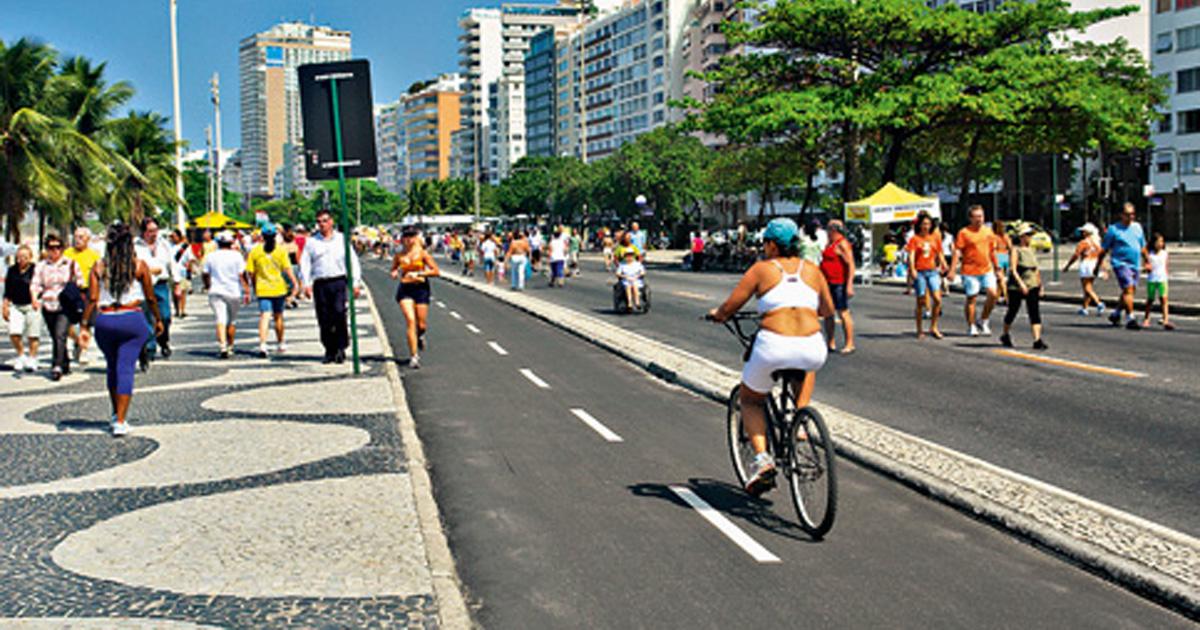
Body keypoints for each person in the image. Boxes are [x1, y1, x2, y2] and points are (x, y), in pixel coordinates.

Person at [708, 218, 834, 496]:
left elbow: (731, 305)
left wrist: (719, 315)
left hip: (774, 345)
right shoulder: (812, 270)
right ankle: (800, 420)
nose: (763, 248)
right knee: (806, 366)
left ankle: (763, 461)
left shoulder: (762, 269)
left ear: (773, 245)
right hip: (813, 346)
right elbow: (827, 309)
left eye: (765, 243)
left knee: (751, 400)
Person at [84, 222, 161, 437]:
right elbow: (150, 297)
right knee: (126, 368)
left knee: (112, 367)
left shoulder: (99, 266)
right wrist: (158, 319)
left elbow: (92, 298)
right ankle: (120, 419)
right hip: (131, 319)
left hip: (106, 320)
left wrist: (84, 324)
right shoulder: (138, 265)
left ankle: (115, 412)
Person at [300, 208, 363, 364]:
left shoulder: (341, 240)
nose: (322, 224)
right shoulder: (312, 242)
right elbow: (305, 264)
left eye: (325, 221)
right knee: (324, 318)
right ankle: (329, 349)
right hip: (320, 283)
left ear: (331, 222)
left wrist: (355, 282)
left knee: (339, 312)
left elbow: (352, 262)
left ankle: (341, 346)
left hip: (338, 281)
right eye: (319, 221)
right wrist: (305, 283)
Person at [31, 234, 82, 381]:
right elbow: (35, 284)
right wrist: (34, 298)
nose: (54, 251)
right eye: (51, 248)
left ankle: (57, 366)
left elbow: (80, 281)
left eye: (58, 247)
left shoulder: (70, 264)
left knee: (60, 333)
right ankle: (64, 361)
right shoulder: (41, 266)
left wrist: (73, 290)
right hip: (48, 304)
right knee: (55, 336)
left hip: (65, 304)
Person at [246, 223, 300, 358]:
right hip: (278, 288)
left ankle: (263, 345)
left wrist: (253, 285)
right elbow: (288, 270)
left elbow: (250, 272)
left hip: (262, 288)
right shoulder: (280, 251)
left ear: (262, 236)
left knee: (264, 316)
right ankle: (280, 342)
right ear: (275, 236)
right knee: (278, 316)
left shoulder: (255, 251)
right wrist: (295, 284)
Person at [948, 205, 1002, 337]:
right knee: (972, 298)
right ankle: (971, 325)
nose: (979, 219)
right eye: (976, 217)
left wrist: (998, 267)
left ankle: (983, 320)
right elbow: (957, 251)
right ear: (970, 218)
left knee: (993, 294)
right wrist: (952, 270)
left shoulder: (988, 232)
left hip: (986, 269)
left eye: (981, 216)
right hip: (969, 271)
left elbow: (993, 251)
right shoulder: (964, 233)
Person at [391, 228, 441, 368]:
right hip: (405, 289)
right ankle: (414, 356)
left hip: (421, 289)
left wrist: (420, 273)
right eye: (406, 237)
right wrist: (395, 272)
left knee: (421, 324)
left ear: (416, 238)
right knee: (410, 320)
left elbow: (436, 271)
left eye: (412, 237)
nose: (409, 240)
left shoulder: (423, 254)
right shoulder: (399, 255)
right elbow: (394, 268)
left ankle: (420, 335)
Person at [1096, 202, 1148, 331]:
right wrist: (1099, 265)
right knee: (1128, 289)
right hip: (1120, 264)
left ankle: (1116, 314)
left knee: (1128, 291)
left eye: (1132, 214)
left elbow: (1142, 246)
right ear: (1121, 215)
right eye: (1127, 214)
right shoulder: (1114, 230)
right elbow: (1104, 249)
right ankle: (1131, 318)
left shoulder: (1137, 227)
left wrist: (1147, 261)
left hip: (1135, 264)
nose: (1131, 217)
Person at [135, 218, 177, 360]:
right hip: (143, 284)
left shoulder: (164, 244)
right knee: (148, 317)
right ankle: (150, 347)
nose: (153, 234)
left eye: (155, 230)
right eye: (150, 231)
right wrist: (147, 271)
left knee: (165, 316)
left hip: (161, 284)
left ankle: (163, 340)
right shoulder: (136, 246)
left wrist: (177, 282)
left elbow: (172, 263)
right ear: (143, 232)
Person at [202, 231, 249, 359]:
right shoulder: (237, 256)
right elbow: (242, 274)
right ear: (231, 242)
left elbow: (205, 273)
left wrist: (207, 285)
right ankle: (230, 345)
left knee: (220, 319)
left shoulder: (211, 256)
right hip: (233, 291)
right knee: (232, 320)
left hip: (216, 290)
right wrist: (247, 289)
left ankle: (222, 346)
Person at [1000, 226, 1048, 350]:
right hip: (1017, 286)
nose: (1030, 238)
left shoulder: (1031, 250)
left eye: (1030, 235)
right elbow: (1013, 269)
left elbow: (1036, 269)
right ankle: (1005, 334)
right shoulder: (1016, 250)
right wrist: (1020, 284)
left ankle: (1037, 339)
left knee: (1034, 312)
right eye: (1028, 235)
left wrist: (1040, 285)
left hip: (1032, 284)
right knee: (1013, 310)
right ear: (1022, 237)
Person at [905, 213, 947, 339]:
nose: (926, 227)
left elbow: (939, 253)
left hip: (932, 271)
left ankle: (934, 326)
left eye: (928, 224)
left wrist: (944, 264)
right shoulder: (915, 239)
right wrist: (912, 269)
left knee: (937, 299)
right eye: (924, 224)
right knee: (921, 301)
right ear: (919, 225)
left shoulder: (935, 238)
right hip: (920, 272)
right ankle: (919, 329)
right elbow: (911, 255)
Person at [64, 227, 100, 365]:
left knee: (86, 322)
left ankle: (83, 349)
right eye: (76, 236)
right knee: (67, 323)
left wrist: (98, 297)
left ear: (88, 239)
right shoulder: (67, 253)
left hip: (88, 291)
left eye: (81, 237)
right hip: (71, 292)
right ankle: (77, 341)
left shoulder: (94, 255)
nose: (77, 240)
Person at [820, 219, 856, 353]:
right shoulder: (830, 243)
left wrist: (849, 284)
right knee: (828, 313)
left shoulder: (842, 244)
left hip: (838, 282)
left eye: (829, 228)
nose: (827, 231)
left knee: (843, 312)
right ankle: (830, 341)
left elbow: (851, 264)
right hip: (828, 281)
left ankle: (849, 342)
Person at [3, 245, 41, 372]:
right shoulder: (12, 270)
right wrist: (5, 305)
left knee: (33, 334)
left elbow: (40, 286)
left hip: (32, 305)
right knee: (14, 332)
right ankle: (21, 355)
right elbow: (8, 290)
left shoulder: (36, 270)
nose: (21, 259)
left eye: (24, 257)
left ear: (30, 258)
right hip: (16, 305)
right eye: (19, 257)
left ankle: (32, 357)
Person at [1062, 223, 1105, 316]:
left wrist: (1068, 266)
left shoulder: (1083, 243)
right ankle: (1084, 308)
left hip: (1086, 264)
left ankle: (1098, 303)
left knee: (1086, 287)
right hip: (1094, 263)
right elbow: (1101, 255)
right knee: (1089, 286)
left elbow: (1076, 255)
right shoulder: (1096, 243)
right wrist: (1103, 268)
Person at [1142, 233, 1175, 330]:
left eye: (1162, 241)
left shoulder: (1165, 253)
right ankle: (1147, 318)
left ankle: (1165, 319)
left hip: (1162, 279)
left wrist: (1166, 275)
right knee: (1150, 300)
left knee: (1164, 299)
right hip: (1152, 279)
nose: (1160, 244)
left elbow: (1165, 266)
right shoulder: (1149, 254)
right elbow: (1146, 264)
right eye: (1158, 242)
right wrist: (1146, 268)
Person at [992, 220, 1012, 306]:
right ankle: (996, 297)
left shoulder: (994, 237)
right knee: (999, 280)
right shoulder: (1006, 236)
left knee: (1001, 279)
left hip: (998, 257)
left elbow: (993, 249)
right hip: (1005, 256)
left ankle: (1007, 297)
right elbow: (1010, 247)